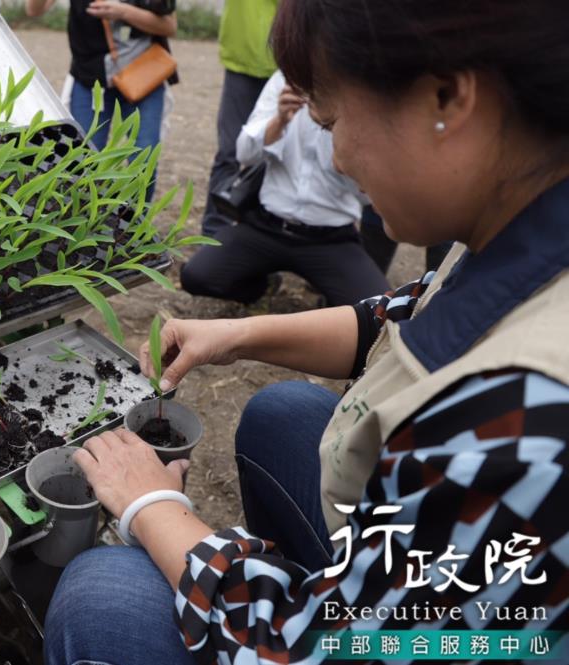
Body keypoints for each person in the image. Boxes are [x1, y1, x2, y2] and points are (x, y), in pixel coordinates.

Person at [45, 1, 569, 663]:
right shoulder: (523, 234)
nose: (340, 156)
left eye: (337, 119)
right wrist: (232, 338)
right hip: (410, 582)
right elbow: (396, 315)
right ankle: (320, 576)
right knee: (284, 410)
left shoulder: (525, 425)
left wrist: (149, 504)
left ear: (447, 96)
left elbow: (326, 649)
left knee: (102, 589)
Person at [181, 70, 389, 307]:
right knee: (196, 275)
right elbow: (244, 153)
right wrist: (279, 121)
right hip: (265, 225)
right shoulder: (285, 80)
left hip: (330, 236)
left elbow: (364, 194)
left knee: (377, 308)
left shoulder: (361, 92)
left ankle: (329, 308)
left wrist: (331, 125)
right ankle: (263, 287)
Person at [26, 0, 177, 183]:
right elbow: (34, 10)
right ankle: (87, 211)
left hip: (144, 77)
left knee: (144, 159)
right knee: (83, 159)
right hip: (89, 77)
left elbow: (169, 26)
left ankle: (137, 212)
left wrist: (123, 12)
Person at [201, 0, 278, 238]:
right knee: (229, 152)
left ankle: (260, 239)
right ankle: (215, 235)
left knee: (275, 158)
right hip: (241, 61)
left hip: (285, 66)